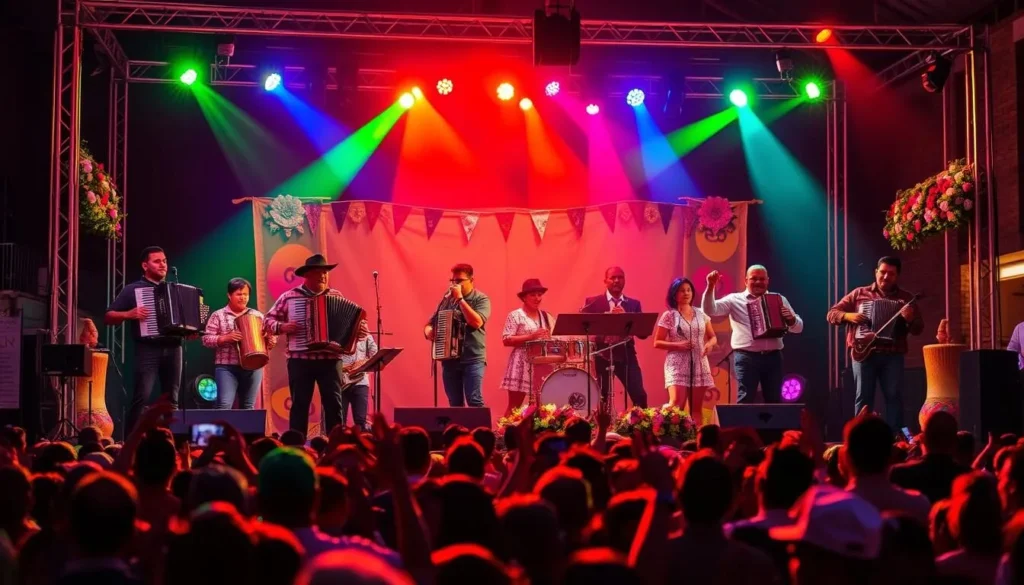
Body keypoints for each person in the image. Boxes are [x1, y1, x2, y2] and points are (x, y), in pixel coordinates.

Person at [264, 254, 370, 434]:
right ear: (307, 275)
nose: (323, 276)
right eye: (318, 272)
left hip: (330, 359)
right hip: (300, 359)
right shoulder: (290, 297)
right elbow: (267, 321)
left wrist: (360, 331)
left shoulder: (336, 295)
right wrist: (283, 326)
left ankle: (334, 442)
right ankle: (296, 444)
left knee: (334, 403)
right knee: (300, 403)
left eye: (325, 273)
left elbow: (351, 325)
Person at [827, 256, 923, 429]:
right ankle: (860, 436)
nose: (886, 277)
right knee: (863, 397)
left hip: (893, 354)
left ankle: (896, 438)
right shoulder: (858, 293)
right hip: (863, 353)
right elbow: (832, 313)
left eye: (891, 274)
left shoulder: (907, 298)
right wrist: (848, 316)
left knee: (894, 396)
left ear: (897, 276)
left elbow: (918, 329)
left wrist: (910, 319)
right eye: (883, 272)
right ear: (876, 272)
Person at [105, 246, 184, 433]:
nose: (163, 264)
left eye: (164, 260)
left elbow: (186, 320)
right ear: (144, 265)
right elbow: (109, 316)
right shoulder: (133, 289)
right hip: (147, 348)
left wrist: (190, 331)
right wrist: (129, 314)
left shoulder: (176, 289)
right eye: (157, 261)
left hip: (174, 347)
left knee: (172, 399)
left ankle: (171, 441)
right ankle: (130, 442)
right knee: (142, 397)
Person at [702, 265, 802, 404]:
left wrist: (791, 320)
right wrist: (711, 286)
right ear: (745, 281)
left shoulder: (779, 299)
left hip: (774, 357)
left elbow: (798, 328)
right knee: (745, 398)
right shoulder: (734, 299)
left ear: (768, 281)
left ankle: (771, 427)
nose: (758, 282)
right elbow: (709, 310)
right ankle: (742, 427)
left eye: (762, 279)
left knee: (774, 401)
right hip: (746, 357)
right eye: (754, 278)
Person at [202, 278, 276, 410]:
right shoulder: (218, 315)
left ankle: (247, 432)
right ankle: (224, 431)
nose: (243, 298)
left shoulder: (257, 316)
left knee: (248, 406)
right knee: (224, 405)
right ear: (229, 295)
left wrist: (269, 339)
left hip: (253, 366)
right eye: (239, 294)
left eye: (246, 294)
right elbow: (206, 339)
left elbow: (271, 343)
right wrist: (225, 338)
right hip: (226, 367)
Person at [423, 264, 491, 407]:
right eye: (453, 281)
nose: (455, 284)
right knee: (455, 403)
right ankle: (458, 430)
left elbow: (477, 322)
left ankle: (480, 430)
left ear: (471, 280)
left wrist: (460, 299)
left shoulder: (481, 299)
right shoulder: (447, 300)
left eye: (459, 281)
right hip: (450, 359)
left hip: (472, 357)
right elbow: (430, 323)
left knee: (474, 400)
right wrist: (429, 331)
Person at [581, 267, 648, 408]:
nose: (616, 280)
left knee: (639, 395)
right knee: (602, 397)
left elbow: (643, 334)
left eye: (620, 277)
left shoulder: (633, 304)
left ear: (624, 280)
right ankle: (602, 428)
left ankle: (639, 428)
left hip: (626, 355)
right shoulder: (593, 302)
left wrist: (626, 318)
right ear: (605, 281)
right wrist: (605, 320)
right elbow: (584, 328)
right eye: (613, 278)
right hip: (601, 354)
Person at [654, 277, 716, 420]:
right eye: (682, 291)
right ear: (674, 294)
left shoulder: (701, 314)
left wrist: (709, 344)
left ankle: (696, 441)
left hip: (699, 363)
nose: (686, 293)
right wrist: (678, 345)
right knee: (676, 405)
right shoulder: (669, 315)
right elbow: (657, 342)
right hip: (677, 363)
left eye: (689, 290)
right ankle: (671, 438)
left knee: (696, 409)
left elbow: (713, 337)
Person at [499, 279, 554, 416]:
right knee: (514, 406)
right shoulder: (516, 315)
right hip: (521, 363)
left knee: (544, 406)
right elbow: (506, 339)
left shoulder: (546, 316)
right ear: (524, 297)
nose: (537, 298)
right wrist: (531, 337)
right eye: (533, 295)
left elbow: (554, 338)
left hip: (541, 363)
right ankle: (504, 434)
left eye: (539, 294)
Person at [340, 327, 377, 431]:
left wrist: (365, 362)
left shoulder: (367, 336)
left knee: (361, 420)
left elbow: (376, 355)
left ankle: (361, 445)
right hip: (341, 381)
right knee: (339, 421)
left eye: (364, 321)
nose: (364, 324)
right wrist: (343, 367)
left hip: (361, 382)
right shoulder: (339, 333)